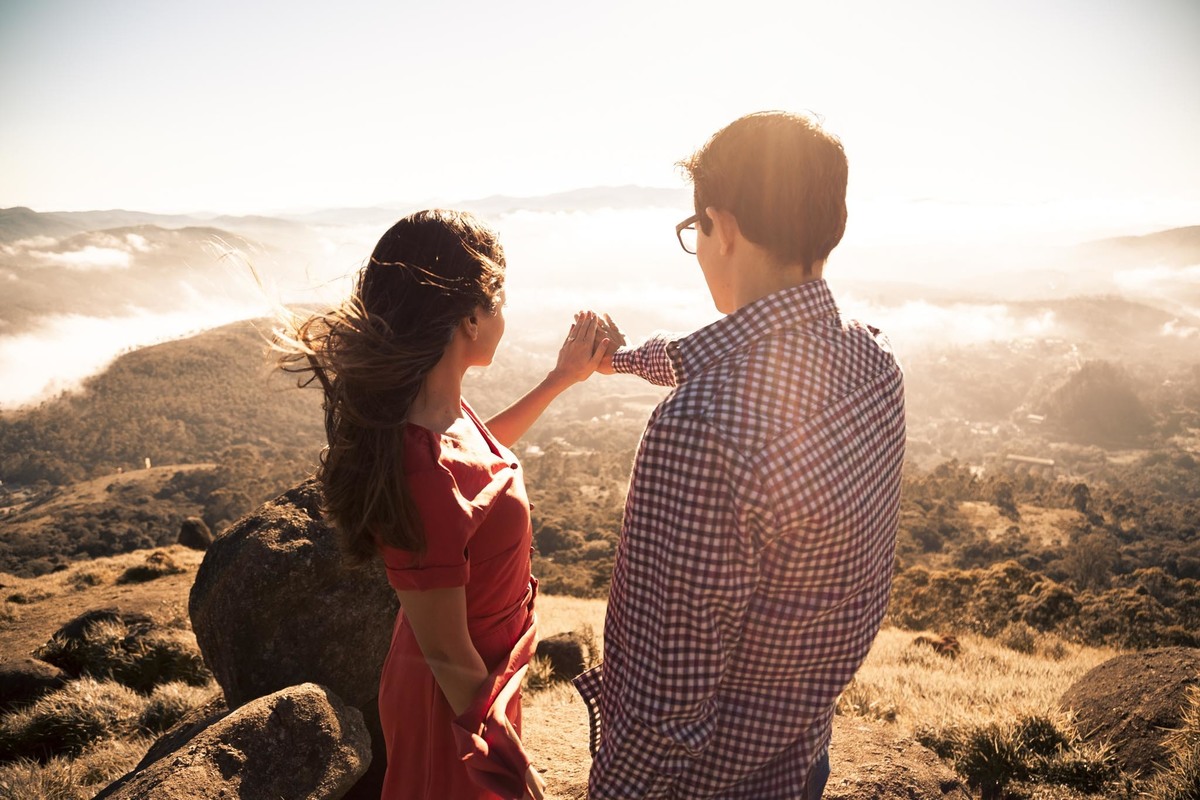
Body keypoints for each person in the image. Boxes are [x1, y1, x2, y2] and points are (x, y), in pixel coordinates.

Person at [574, 111, 907, 798]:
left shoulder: (698, 432)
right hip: (802, 753)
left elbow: (661, 710)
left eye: (694, 230)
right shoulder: (874, 362)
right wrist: (623, 360)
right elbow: (710, 354)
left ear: (721, 227)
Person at [276, 209, 611, 800]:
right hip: (453, 704)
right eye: (499, 299)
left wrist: (560, 379)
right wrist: (513, 765)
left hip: (481, 685)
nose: (505, 315)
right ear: (469, 318)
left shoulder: (442, 411)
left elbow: (480, 468)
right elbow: (447, 653)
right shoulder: (421, 462)